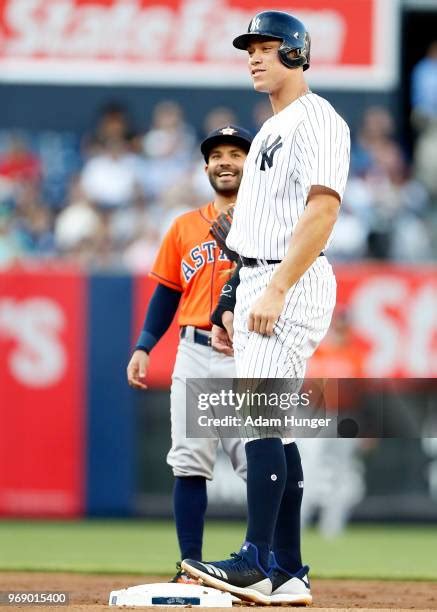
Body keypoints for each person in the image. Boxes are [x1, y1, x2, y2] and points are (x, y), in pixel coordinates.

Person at [182, 10, 350, 606]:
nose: (254, 56)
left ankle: (254, 560)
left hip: (288, 281)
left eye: (267, 46)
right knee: (275, 424)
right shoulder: (271, 130)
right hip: (257, 281)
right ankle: (289, 571)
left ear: (297, 53)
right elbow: (247, 234)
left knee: (258, 418)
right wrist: (231, 299)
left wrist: (276, 287)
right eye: (248, 48)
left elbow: (323, 209)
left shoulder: (317, 118)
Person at [126, 125, 253, 582]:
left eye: (235, 153)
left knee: (261, 460)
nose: (225, 161)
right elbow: (165, 293)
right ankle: (191, 566)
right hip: (195, 351)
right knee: (189, 460)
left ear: (251, 163)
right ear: (205, 167)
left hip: (250, 354)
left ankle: (269, 564)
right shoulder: (183, 226)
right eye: (217, 154)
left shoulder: (271, 222)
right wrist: (144, 345)